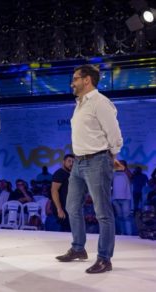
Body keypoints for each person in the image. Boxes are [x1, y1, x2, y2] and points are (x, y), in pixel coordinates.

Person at [56, 65, 123, 274]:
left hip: (97, 161)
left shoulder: (100, 102)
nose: (72, 82)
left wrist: (111, 155)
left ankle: (105, 258)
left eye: (75, 78)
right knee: (72, 206)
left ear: (87, 80)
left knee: (102, 212)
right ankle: (78, 248)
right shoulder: (80, 104)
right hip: (78, 162)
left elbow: (114, 134)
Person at [50, 154, 74, 232]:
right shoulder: (60, 173)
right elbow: (54, 191)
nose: (71, 163)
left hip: (68, 208)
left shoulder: (70, 174)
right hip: (62, 209)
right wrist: (59, 209)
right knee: (63, 234)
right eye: (69, 161)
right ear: (63, 162)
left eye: (73, 162)